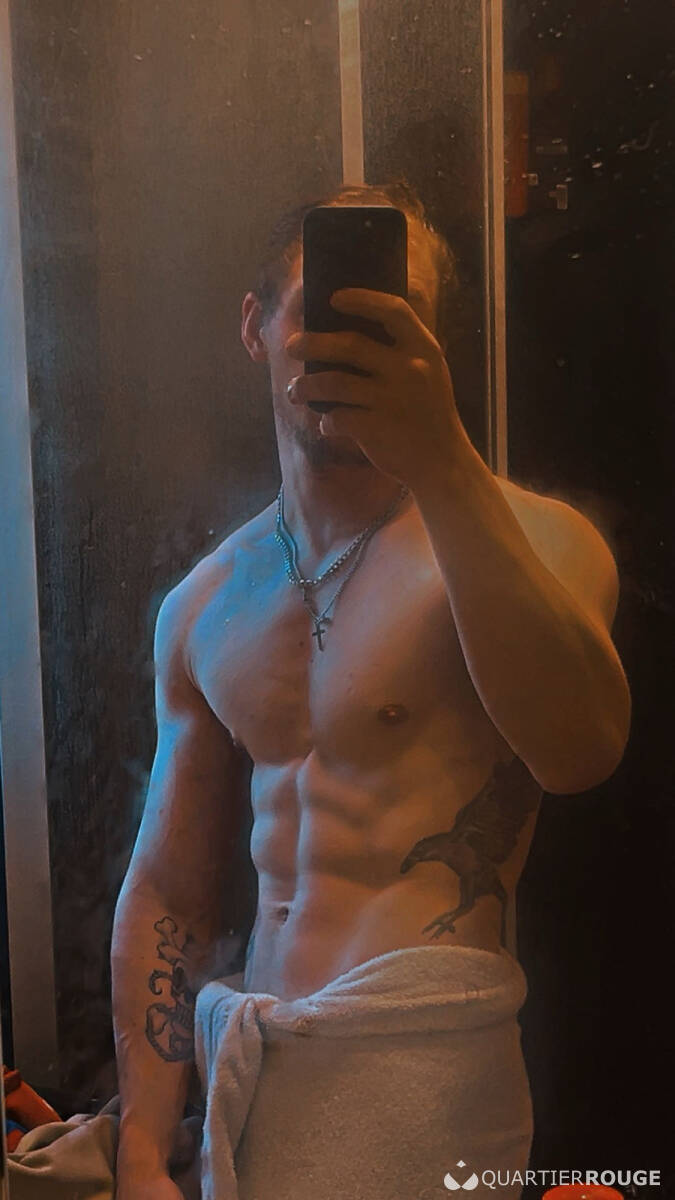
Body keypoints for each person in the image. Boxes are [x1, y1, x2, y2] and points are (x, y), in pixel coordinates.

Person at [111, 181, 631, 1200]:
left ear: (433, 348)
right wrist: (141, 1150)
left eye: (395, 315)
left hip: (428, 1079)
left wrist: (439, 460)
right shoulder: (205, 601)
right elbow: (167, 887)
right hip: (258, 1081)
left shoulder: (535, 542)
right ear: (256, 328)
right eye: (325, 308)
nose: (356, 336)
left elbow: (579, 755)